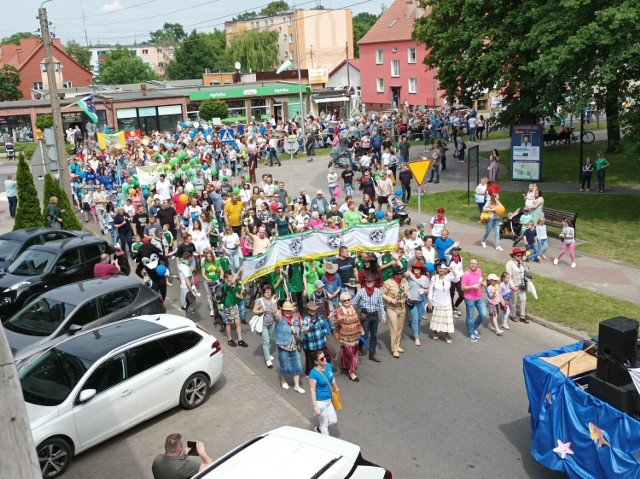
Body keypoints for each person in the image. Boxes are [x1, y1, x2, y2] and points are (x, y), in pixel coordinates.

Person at [351, 273, 386, 362]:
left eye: (370, 282)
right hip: (365, 316)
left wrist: (383, 315)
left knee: (374, 336)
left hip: (374, 315)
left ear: (374, 282)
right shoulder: (361, 291)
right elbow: (353, 303)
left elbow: (381, 304)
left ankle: (372, 354)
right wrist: (353, 314)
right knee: (365, 335)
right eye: (367, 282)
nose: (369, 283)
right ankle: (359, 347)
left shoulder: (378, 291)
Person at [333, 291, 364, 382]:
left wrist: (361, 329)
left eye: (348, 300)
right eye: (344, 300)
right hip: (345, 336)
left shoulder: (353, 307)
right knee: (351, 354)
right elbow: (335, 323)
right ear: (341, 302)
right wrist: (338, 320)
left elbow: (357, 320)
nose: (347, 302)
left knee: (351, 352)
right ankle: (351, 372)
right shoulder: (338, 310)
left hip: (354, 335)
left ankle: (345, 365)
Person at [275, 301, 305, 393]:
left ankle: (296, 386)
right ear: (283, 311)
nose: (288, 312)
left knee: (297, 365)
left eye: (289, 310)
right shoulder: (280, 319)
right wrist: (273, 303)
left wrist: (298, 328)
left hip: (294, 345)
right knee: (284, 364)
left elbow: (298, 331)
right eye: (286, 310)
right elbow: (274, 314)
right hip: (283, 345)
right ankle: (283, 380)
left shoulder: (295, 318)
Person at [308, 349, 339, 435]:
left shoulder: (328, 366)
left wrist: (336, 387)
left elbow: (332, 378)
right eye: (321, 359)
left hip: (329, 400)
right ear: (316, 361)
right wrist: (315, 407)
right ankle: (326, 443)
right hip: (320, 402)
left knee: (333, 421)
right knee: (324, 424)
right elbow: (312, 390)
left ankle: (318, 429)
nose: (324, 359)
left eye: (325, 356)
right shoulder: (313, 374)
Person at [382, 265, 409, 358]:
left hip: (402, 307)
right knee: (394, 328)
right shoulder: (388, 283)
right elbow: (382, 294)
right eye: (401, 273)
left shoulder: (404, 281)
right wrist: (390, 299)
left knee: (400, 327)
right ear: (396, 275)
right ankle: (394, 349)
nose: (403, 274)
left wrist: (409, 296)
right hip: (391, 308)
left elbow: (407, 291)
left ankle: (397, 345)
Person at [428, 262, 457, 343]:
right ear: (437, 269)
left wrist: (453, 271)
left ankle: (446, 335)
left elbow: (457, 279)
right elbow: (430, 289)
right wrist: (430, 301)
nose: (441, 270)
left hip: (447, 302)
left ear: (446, 270)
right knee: (437, 318)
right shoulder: (434, 278)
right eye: (439, 268)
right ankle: (435, 332)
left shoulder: (448, 277)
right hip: (437, 302)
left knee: (447, 319)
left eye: (443, 269)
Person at [461, 258, 487, 342]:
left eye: (474, 263)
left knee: (483, 314)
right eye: (471, 263)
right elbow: (462, 288)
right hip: (469, 298)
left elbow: (479, 281)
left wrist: (482, 283)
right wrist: (472, 287)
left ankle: (473, 328)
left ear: (477, 264)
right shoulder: (466, 274)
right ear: (469, 264)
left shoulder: (479, 271)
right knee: (470, 317)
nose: (473, 265)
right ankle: (471, 333)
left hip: (479, 297)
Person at [253, 285, 279, 368]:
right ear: (263, 293)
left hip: (272, 323)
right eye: (266, 291)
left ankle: (268, 353)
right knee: (266, 341)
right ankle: (267, 359)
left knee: (270, 340)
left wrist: (274, 304)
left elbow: (275, 311)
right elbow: (254, 310)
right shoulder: (259, 301)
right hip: (263, 324)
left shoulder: (273, 300)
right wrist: (261, 310)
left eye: (269, 291)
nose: (268, 293)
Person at [301, 302, 331, 375]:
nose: (312, 312)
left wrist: (324, 337)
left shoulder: (320, 319)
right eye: (311, 310)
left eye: (314, 310)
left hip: (320, 344)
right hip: (310, 345)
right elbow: (303, 330)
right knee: (310, 360)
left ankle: (322, 371)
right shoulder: (306, 320)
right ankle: (309, 373)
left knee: (322, 358)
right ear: (308, 311)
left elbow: (324, 330)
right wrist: (306, 330)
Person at [222, 270, 248, 347]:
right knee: (229, 323)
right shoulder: (226, 285)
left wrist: (241, 288)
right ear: (227, 279)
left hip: (234, 305)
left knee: (238, 322)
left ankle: (240, 340)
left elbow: (240, 294)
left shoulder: (236, 284)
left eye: (232, 276)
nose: (232, 278)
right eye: (230, 277)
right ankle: (229, 339)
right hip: (229, 305)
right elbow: (231, 282)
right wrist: (239, 271)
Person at [407, 261, 429, 346]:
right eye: (415, 268)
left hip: (421, 301)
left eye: (418, 268)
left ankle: (413, 330)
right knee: (415, 319)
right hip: (411, 300)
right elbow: (403, 272)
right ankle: (417, 337)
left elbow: (427, 289)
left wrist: (424, 291)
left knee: (419, 319)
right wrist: (398, 260)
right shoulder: (409, 275)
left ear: (421, 269)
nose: (416, 269)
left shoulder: (424, 278)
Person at [506, 247, 529, 323]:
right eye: (518, 255)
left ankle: (522, 316)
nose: (519, 257)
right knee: (513, 301)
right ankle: (513, 315)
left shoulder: (522, 262)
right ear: (514, 256)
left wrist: (524, 262)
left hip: (521, 285)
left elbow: (527, 271)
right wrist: (512, 286)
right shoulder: (510, 264)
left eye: (521, 255)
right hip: (514, 285)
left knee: (523, 300)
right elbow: (508, 276)